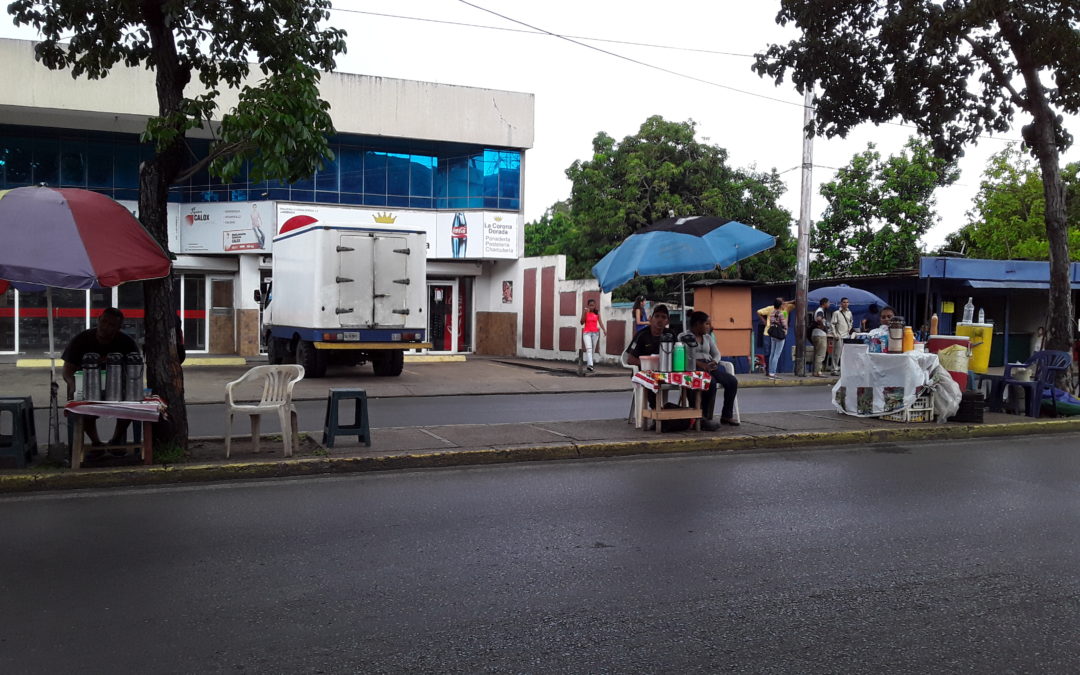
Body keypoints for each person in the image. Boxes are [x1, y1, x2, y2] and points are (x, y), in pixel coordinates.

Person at [61, 307, 140, 455]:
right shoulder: (81, 339)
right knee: (84, 409)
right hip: (86, 388)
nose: (106, 327)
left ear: (118, 328)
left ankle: (116, 439)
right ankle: (96, 443)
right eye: (104, 322)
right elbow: (67, 370)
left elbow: (134, 371)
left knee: (132, 406)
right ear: (98, 320)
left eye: (111, 325)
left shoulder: (127, 343)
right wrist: (72, 385)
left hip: (118, 390)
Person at [680, 311, 740, 430]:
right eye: (706, 324)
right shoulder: (684, 336)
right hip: (693, 367)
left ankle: (726, 416)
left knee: (732, 381)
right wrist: (700, 364)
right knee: (710, 382)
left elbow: (716, 353)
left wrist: (715, 362)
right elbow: (685, 356)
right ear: (697, 324)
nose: (709, 326)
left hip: (709, 366)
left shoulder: (707, 337)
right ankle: (704, 416)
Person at [625, 303, 670, 418]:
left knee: (689, 382)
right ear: (651, 319)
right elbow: (630, 359)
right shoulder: (642, 335)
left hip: (666, 372)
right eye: (657, 316)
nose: (660, 320)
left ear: (667, 321)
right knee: (652, 381)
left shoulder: (670, 335)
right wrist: (647, 363)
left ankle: (692, 416)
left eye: (663, 317)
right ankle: (657, 414)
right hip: (644, 373)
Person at [829, 297, 855, 375]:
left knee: (845, 354)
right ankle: (834, 369)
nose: (846, 303)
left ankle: (843, 368)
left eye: (847, 302)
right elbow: (832, 324)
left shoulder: (849, 313)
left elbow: (851, 322)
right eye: (844, 302)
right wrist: (835, 334)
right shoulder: (836, 313)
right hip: (838, 336)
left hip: (846, 336)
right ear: (841, 303)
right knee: (836, 353)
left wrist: (849, 329)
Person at [579, 298, 606, 373]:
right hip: (587, 333)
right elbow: (581, 322)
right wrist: (584, 313)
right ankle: (591, 365)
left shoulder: (597, 313)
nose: (591, 307)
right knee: (589, 349)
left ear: (595, 305)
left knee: (593, 350)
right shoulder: (585, 312)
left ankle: (589, 365)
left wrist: (604, 330)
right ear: (588, 305)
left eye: (593, 305)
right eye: (590, 305)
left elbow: (600, 322)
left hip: (595, 333)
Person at [765, 297, 788, 380]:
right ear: (780, 305)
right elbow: (784, 323)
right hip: (780, 334)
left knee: (772, 353)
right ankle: (773, 373)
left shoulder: (771, 313)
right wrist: (785, 311)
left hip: (773, 334)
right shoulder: (782, 313)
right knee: (777, 355)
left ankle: (770, 372)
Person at [812, 297, 830, 377]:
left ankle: (815, 371)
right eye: (828, 303)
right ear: (824, 303)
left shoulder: (818, 310)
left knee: (816, 353)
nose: (829, 305)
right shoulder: (820, 311)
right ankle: (818, 372)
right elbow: (819, 319)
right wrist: (822, 326)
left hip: (815, 334)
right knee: (821, 354)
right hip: (820, 334)